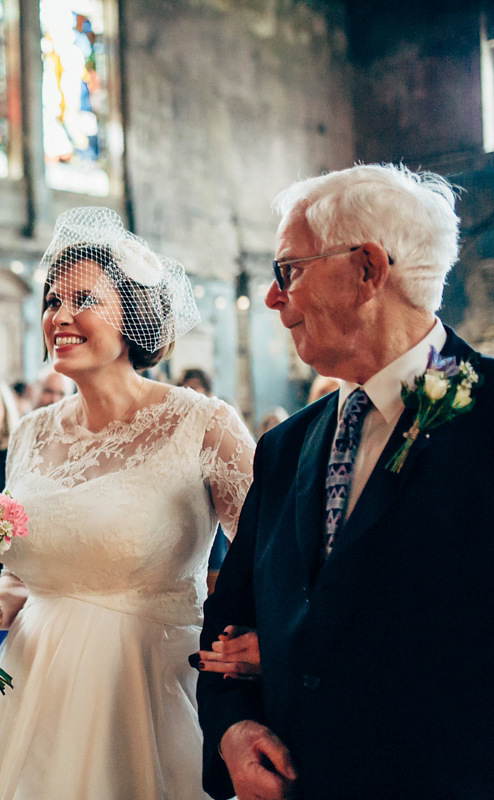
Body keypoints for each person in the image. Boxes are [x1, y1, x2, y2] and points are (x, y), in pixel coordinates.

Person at [198, 164, 494, 800]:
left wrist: (280, 654)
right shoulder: (284, 448)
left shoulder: (488, 415)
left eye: (289, 271)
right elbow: (230, 623)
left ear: (367, 269)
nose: (275, 299)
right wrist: (230, 727)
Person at [0, 207, 254, 800]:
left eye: (83, 299)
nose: (59, 316)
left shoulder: (202, 424)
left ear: (133, 313)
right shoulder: (31, 432)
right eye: (52, 300)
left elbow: (273, 562)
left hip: (144, 693)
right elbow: (21, 580)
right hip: (31, 696)